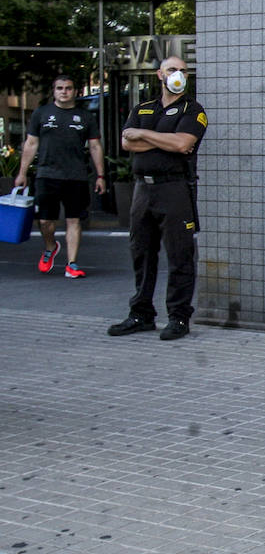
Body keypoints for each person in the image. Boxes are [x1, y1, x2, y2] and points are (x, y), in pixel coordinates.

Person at [107, 56, 207, 342]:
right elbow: (127, 142)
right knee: (141, 252)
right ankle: (141, 313)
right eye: (173, 70)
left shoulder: (193, 110)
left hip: (174, 189)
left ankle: (178, 316)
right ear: (159, 75)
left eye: (184, 71)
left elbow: (183, 143)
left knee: (180, 254)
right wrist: (158, 138)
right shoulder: (143, 108)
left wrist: (143, 134)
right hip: (142, 190)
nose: (179, 75)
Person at [15, 75, 105, 278]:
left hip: (76, 176)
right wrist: (22, 173)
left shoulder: (85, 117)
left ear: (75, 91)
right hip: (47, 175)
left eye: (68, 88)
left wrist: (101, 175)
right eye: (60, 88)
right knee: (46, 222)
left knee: (74, 220)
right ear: (54, 91)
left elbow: (95, 146)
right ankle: (50, 247)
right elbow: (31, 144)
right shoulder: (42, 113)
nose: (64, 91)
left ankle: (72, 264)